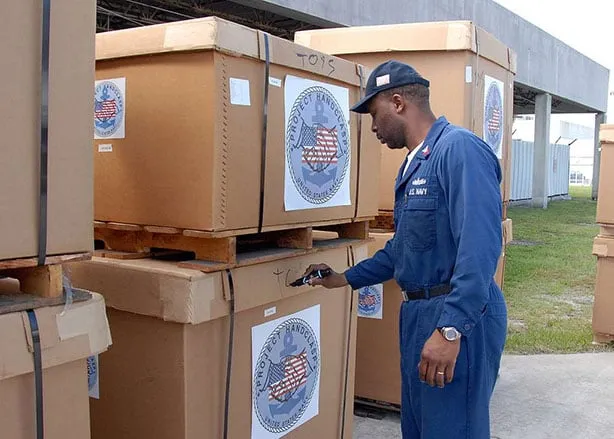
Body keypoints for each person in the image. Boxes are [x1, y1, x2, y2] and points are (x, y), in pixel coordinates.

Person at [303, 60, 507, 438]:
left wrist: (450, 330)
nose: (374, 127)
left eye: (375, 114)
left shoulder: (459, 150)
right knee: (419, 429)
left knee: (451, 430)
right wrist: (344, 279)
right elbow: (403, 250)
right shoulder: (415, 165)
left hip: (457, 314)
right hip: (418, 313)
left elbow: (480, 248)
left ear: (398, 103)